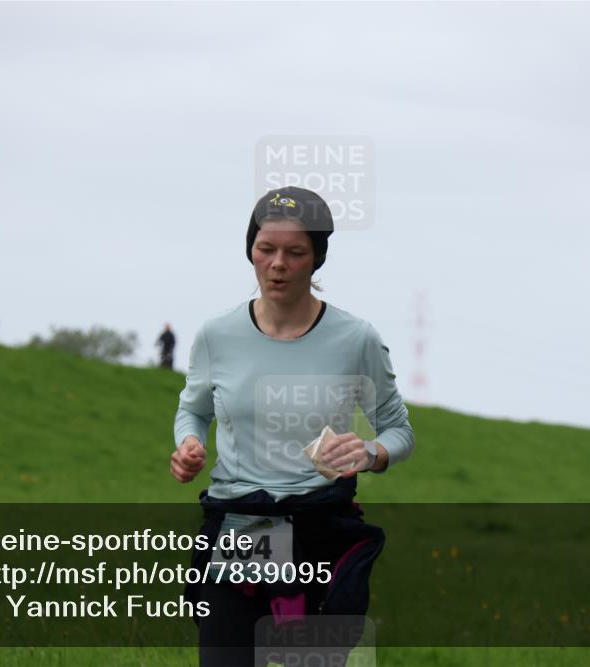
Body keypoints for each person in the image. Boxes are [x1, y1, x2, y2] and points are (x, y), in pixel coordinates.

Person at [171, 186, 415, 666]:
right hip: (243, 525)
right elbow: (194, 409)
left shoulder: (356, 339)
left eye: (294, 252)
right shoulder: (216, 335)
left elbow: (398, 431)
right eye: (266, 249)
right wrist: (190, 443)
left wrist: (369, 453)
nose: (277, 263)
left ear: (317, 259)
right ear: (251, 251)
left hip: (319, 527)